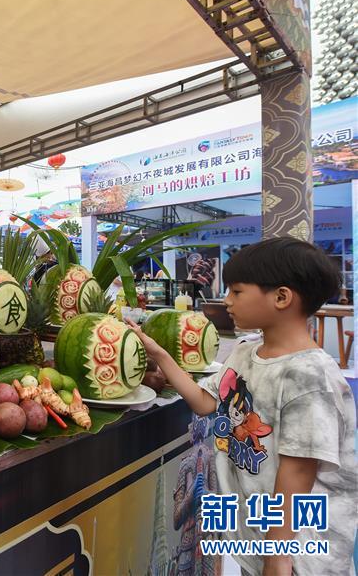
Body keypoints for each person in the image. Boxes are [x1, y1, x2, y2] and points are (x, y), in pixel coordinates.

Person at [128, 237, 357, 576]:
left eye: (236, 291)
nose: (226, 300)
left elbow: (299, 473)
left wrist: (277, 559)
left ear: (281, 297)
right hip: (258, 536)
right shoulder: (246, 351)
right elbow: (206, 403)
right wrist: (160, 354)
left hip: (299, 552)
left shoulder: (309, 377)